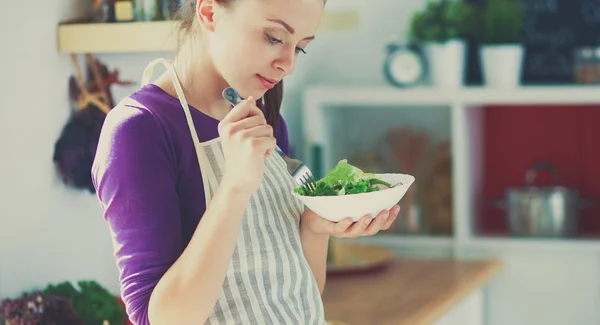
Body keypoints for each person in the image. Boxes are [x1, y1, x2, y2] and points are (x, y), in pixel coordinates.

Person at [91, 0, 401, 324]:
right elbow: (163, 319)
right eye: (274, 37)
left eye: (300, 48)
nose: (288, 65)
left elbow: (298, 297)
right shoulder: (140, 130)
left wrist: (315, 227)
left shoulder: (264, 117)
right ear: (209, 11)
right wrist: (235, 188)